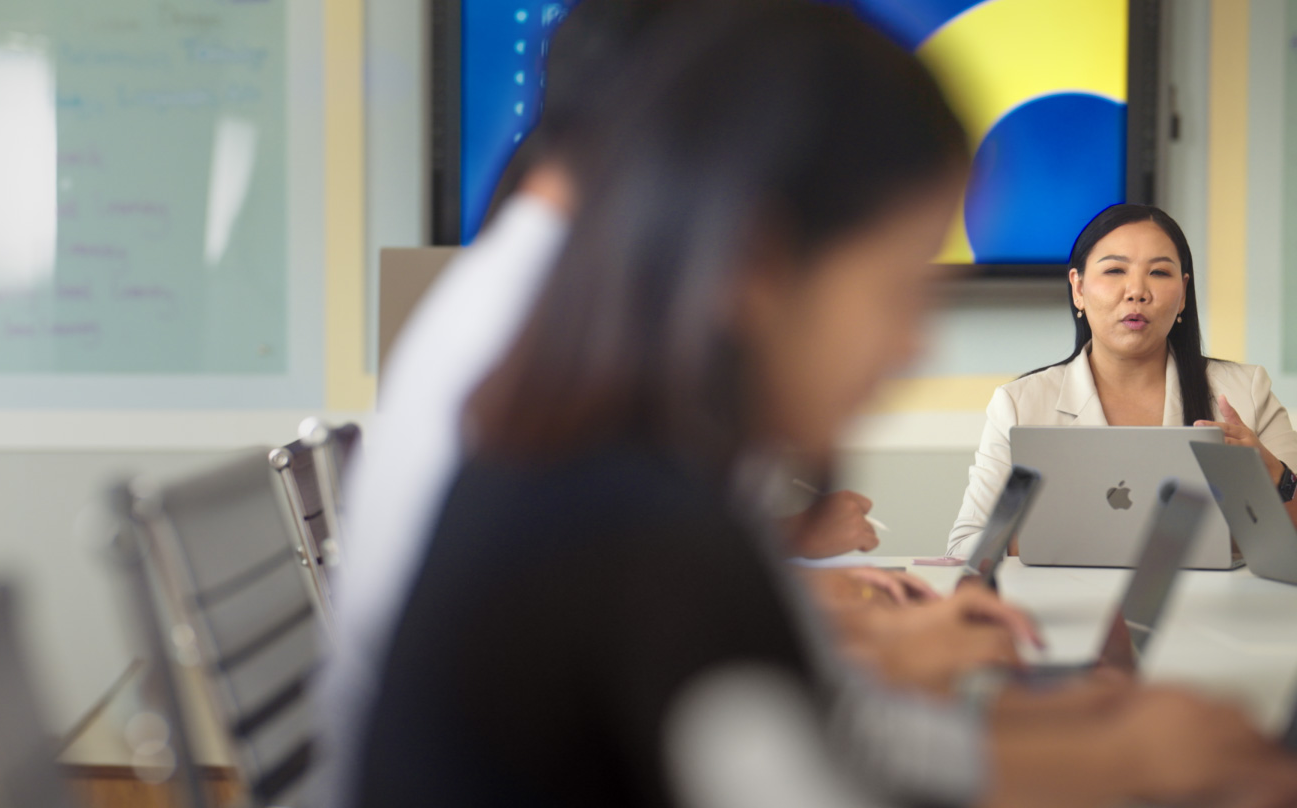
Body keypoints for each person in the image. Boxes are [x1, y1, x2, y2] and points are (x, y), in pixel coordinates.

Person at [348, 7, 1297, 807]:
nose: (914, 344)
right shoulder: (628, 517)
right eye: (896, 290)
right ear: (756, 267)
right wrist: (1112, 764)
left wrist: (1080, 739)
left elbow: (825, 730)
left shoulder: (611, 447)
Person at [948, 204, 1297, 557]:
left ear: (1182, 293)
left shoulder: (1246, 391)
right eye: (1115, 270)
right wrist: (1051, 537)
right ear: (1078, 288)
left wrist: (1277, 478)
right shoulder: (1020, 405)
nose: (1137, 291)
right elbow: (965, 548)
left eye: (1159, 272)